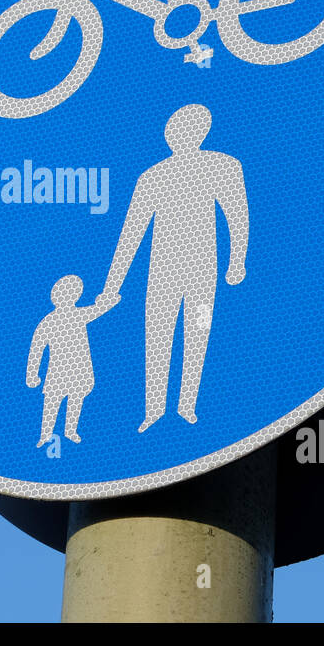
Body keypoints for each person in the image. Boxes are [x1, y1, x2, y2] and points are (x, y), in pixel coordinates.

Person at [97, 104, 249, 431]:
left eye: (189, 129)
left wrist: (237, 261)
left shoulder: (221, 165)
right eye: (175, 130)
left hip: (202, 271)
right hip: (162, 273)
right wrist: (112, 286)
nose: (180, 135)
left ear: (202, 132)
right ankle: (153, 410)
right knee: (157, 337)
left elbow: (237, 215)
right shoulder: (152, 176)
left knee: (198, 333)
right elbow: (130, 234)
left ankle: (188, 407)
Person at [28, 275, 117, 447]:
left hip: (80, 370)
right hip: (57, 372)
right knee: (52, 402)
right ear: (55, 296)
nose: (68, 297)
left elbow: (98, 310)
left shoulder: (79, 314)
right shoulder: (49, 321)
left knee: (76, 400)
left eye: (72, 293)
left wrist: (110, 300)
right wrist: (32, 374)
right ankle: (45, 435)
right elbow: (36, 349)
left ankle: (70, 431)